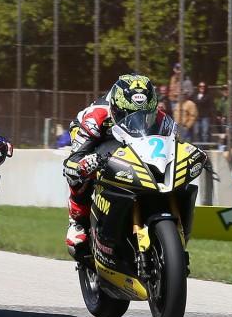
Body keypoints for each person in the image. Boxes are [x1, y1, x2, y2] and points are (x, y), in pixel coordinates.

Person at [61, 74, 200, 253]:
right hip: (101, 137)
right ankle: (77, 221)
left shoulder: (162, 118)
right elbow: (71, 163)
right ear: (116, 108)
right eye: (130, 115)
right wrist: (84, 164)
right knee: (84, 170)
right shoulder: (96, 118)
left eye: (145, 115)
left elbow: (173, 146)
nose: (138, 120)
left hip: (135, 141)